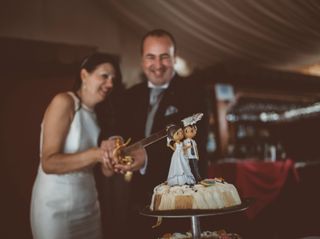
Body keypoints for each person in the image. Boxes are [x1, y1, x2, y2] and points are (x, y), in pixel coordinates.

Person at [30, 53, 137, 239]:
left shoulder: (100, 115)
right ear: (84, 75)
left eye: (114, 79)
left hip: (89, 206)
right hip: (54, 208)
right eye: (104, 76)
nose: (110, 84)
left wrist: (113, 159)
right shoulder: (64, 102)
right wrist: (97, 154)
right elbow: (48, 163)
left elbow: (106, 172)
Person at [114, 29, 208, 238]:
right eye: (151, 57)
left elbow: (196, 141)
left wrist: (147, 158)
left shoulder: (194, 92)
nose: (158, 65)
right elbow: (118, 127)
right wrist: (115, 141)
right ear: (142, 60)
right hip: (137, 201)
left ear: (174, 59)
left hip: (180, 201)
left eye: (164, 57)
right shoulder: (131, 95)